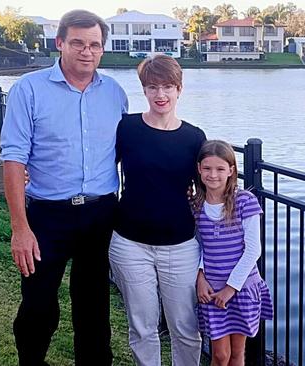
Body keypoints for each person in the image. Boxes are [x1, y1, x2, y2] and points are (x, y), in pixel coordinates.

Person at [0, 9, 127, 365]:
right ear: (60, 43)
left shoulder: (115, 94)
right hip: (46, 217)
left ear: (102, 49)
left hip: (100, 214)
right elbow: (13, 160)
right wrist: (20, 228)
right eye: (78, 43)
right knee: (38, 306)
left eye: (94, 45)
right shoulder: (29, 90)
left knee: (94, 309)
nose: (87, 51)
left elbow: (122, 153)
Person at [108, 55, 205, 366]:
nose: (160, 95)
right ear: (144, 91)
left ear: (179, 89)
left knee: (186, 328)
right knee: (143, 326)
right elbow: (95, 168)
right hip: (129, 244)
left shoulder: (194, 137)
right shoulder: (127, 128)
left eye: (167, 87)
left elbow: (207, 189)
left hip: (180, 246)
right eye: (152, 87)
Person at [193, 140, 274, 366]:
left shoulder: (244, 202)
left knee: (237, 354)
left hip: (241, 288)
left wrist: (231, 288)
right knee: (220, 355)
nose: (213, 175)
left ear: (231, 171)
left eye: (220, 169)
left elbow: (253, 250)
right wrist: (200, 277)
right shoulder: (197, 205)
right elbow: (199, 246)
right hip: (211, 289)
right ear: (199, 169)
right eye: (207, 168)